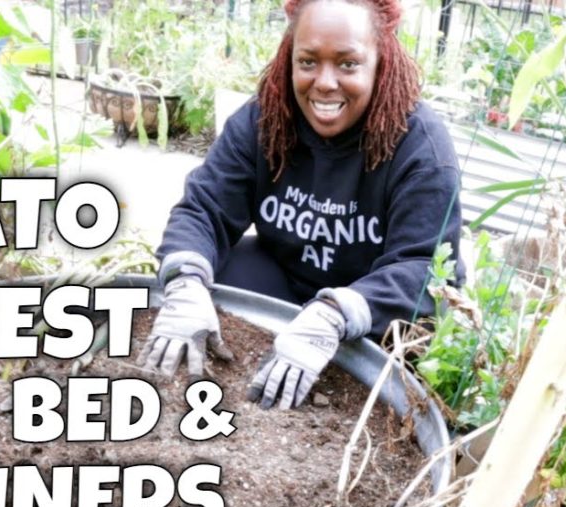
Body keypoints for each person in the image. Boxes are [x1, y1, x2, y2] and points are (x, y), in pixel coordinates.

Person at [138, 0, 463, 409]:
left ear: (381, 61)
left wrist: (333, 314)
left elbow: (425, 269)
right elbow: (203, 209)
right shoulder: (265, 121)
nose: (324, 83)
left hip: (371, 315)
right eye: (308, 62)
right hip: (287, 280)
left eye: (348, 64)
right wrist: (185, 281)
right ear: (289, 57)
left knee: (397, 370)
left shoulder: (420, 147)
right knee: (211, 273)